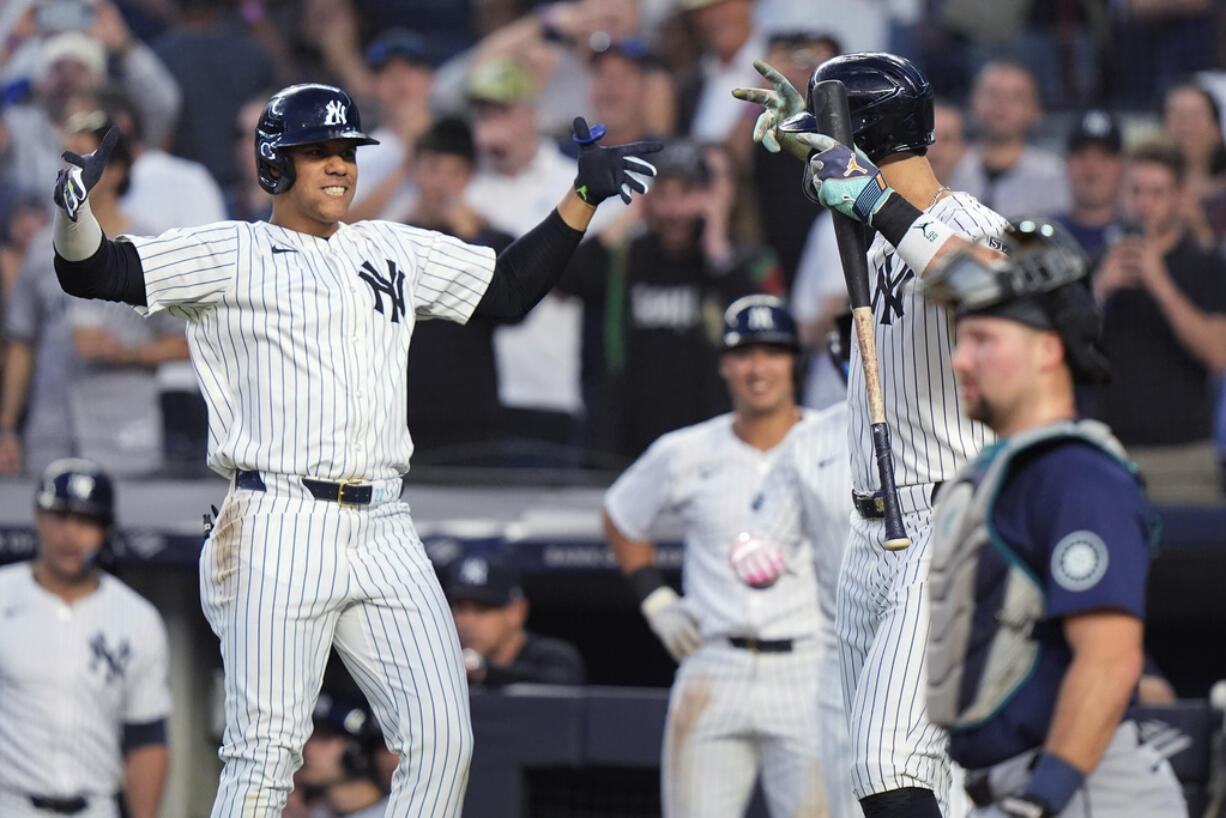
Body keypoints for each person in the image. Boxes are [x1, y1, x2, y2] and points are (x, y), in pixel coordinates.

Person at [47, 81, 659, 816]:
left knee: (443, 742)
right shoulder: (232, 250)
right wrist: (74, 215)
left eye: (347, 151)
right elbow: (95, 272)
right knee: (265, 758)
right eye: (317, 153)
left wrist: (580, 200)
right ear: (275, 166)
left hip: (383, 522)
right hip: (277, 517)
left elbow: (507, 289)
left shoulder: (389, 244)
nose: (338, 166)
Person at [735, 51, 1009, 818]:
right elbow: (849, 192)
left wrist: (875, 200)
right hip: (873, 535)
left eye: (833, 129)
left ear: (867, 137)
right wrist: (829, 154)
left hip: (951, 516)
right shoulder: (868, 231)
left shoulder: (962, 218)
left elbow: (995, 285)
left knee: (889, 765)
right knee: (895, 780)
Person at [922, 217, 1188, 817]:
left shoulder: (1077, 474)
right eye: (960, 339)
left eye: (983, 339)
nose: (960, 360)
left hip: (1081, 789)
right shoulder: (1001, 470)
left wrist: (1043, 800)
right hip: (1020, 789)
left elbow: (1110, 657)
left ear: (1047, 350)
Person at [604, 295, 845, 817]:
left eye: (773, 352)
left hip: (810, 664)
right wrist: (657, 602)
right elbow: (621, 516)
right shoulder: (686, 450)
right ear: (724, 363)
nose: (758, 368)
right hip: (714, 662)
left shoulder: (834, 441)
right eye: (744, 353)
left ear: (794, 361)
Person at [0, 458, 172, 818]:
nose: (71, 534)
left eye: (86, 521)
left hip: (95, 807)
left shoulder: (137, 618)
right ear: (38, 517)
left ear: (105, 530)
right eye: (60, 516)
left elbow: (146, 736)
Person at [1089, 140, 1226, 505]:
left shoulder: (1206, 262)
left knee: (1194, 561)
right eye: (1135, 191)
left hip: (1186, 455)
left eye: (1157, 193)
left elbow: (1218, 354)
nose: (1144, 204)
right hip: (1109, 451)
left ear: (1179, 196)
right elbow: (1066, 353)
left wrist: (1160, 283)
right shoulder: (1096, 263)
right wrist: (1099, 291)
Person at [948, 60, 1070, 218]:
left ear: (1035, 109)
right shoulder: (952, 169)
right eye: (993, 94)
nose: (1001, 105)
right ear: (973, 101)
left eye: (1015, 97)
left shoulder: (1054, 176)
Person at [444, 552, 586, 688]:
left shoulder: (553, 657)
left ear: (516, 611)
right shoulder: (446, 664)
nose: (468, 622)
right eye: (461, 609)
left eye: (482, 609)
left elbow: (562, 684)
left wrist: (483, 671)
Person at [288, 695, 387, 818]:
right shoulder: (312, 811)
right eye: (307, 735)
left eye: (324, 738)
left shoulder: (401, 811)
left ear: (357, 751)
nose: (306, 748)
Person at [1050, 110, 1125, 261]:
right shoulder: (1045, 236)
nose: (1092, 169)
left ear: (1121, 166)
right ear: (1067, 163)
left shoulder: (1137, 238)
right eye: (1081, 156)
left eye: (1104, 158)